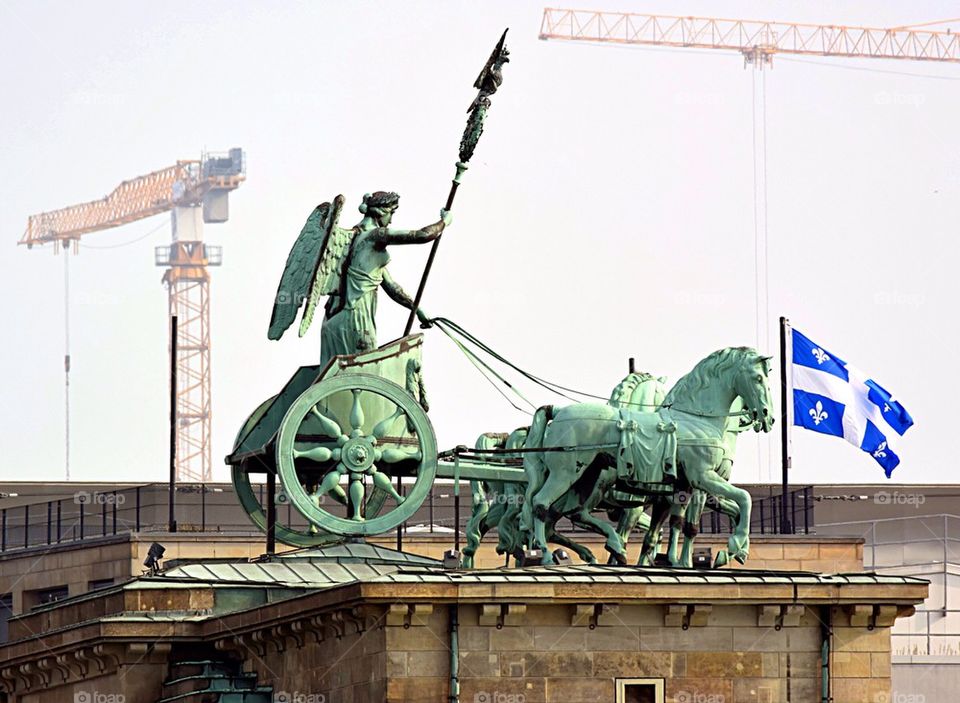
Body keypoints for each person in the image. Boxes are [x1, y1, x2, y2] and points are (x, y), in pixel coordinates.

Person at [320, 191, 451, 367]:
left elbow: (391, 287)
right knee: (366, 371)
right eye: (392, 213)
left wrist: (417, 310)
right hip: (356, 319)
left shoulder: (353, 239)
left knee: (337, 376)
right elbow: (422, 235)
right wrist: (444, 222)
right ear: (381, 212)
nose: (391, 220)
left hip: (333, 321)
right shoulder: (375, 236)